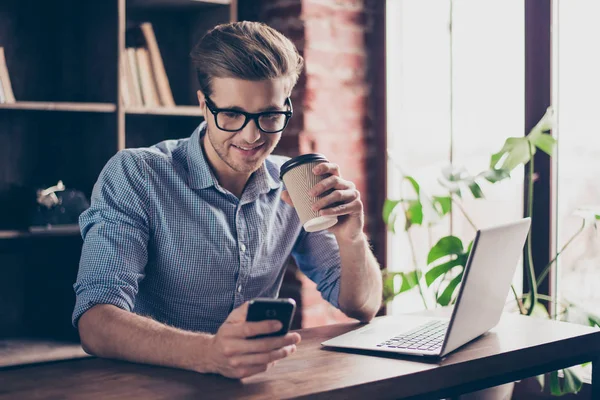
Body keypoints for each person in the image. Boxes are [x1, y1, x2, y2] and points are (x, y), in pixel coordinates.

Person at [73, 21, 382, 379]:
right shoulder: (137, 174)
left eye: (270, 115)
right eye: (232, 114)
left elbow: (363, 306)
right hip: (152, 384)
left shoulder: (293, 183)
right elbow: (94, 320)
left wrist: (352, 238)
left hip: (253, 385)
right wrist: (209, 353)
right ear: (204, 105)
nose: (251, 136)